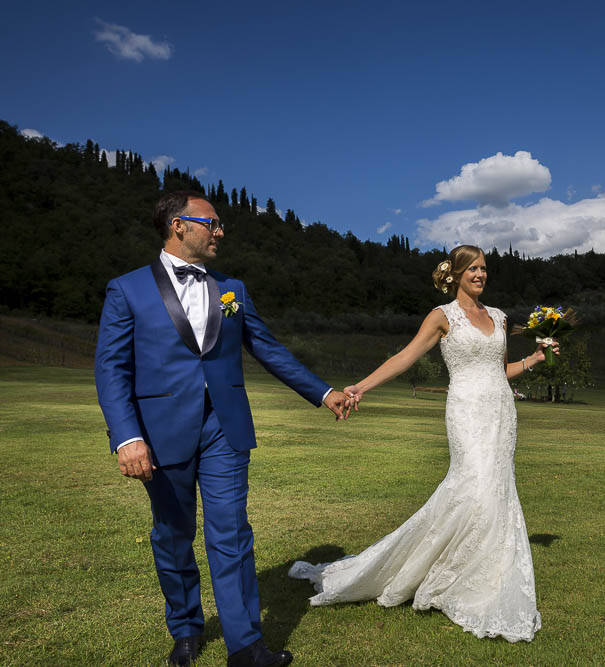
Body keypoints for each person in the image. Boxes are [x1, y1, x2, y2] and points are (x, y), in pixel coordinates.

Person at [94, 191, 351, 667]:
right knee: (172, 535)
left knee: (231, 533)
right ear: (178, 225)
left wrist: (323, 391)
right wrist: (127, 437)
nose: (220, 232)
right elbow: (111, 369)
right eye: (212, 223)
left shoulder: (233, 289)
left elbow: (268, 349)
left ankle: (246, 646)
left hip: (225, 429)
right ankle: (186, 629)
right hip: (159, 430)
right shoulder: (126, 289)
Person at [289, 244, 554, 642]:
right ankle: (432, 571)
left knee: (495, 492)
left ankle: (484, 574)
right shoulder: (441, 317)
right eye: (474, 269)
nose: (481, 275)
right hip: (465, 412)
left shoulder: (498, 317)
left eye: (485, 269)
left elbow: (499, 371)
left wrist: (533, 360)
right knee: (473, 489)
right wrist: (361, 386)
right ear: (457, 274)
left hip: (501, 413)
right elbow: (406, 356)